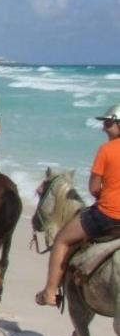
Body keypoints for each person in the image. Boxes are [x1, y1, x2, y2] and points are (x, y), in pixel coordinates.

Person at [35, 103, 120, 307]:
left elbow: (93, 188)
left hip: (108, 216)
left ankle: (50, 292)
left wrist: (106, 195)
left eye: (108, 123)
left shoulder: (106, 150)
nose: (103, 128)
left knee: (62, 240)